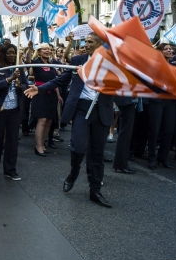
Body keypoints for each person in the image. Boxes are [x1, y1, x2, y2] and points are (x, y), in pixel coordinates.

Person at [24, 32, 114, 207]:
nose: (85, 44)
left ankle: (95, 190)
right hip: (81, 109)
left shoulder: (111, 63)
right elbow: (62, 79)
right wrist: (40, 89)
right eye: (85, 41)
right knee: (78, 147)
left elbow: (117, 84)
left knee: (97, 153)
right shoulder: (78, 60)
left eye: (90, 42)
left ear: (100, 44)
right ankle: (73, 173)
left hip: (101, 111)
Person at [0, 43, 29, 180]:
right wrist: (9, 79)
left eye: (14, 53)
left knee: (12, 140)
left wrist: (20, 85)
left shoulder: (19, 68)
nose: (12, 55)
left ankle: (10, 170)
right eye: (9, 53)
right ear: (3, 53)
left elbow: (26, 85)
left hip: (14, 110)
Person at [147, 43, 176, 169]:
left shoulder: (175, 66)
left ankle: (163, 157)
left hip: (170, 102)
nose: (169, 50)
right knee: (154, 130)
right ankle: (152, 158)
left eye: (170, 49)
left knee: (169, 130)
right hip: (156, 101)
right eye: (166, 49)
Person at [28, 43, 61, 156]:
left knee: (49, 120)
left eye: (49, 49)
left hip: (51, 94)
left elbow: (54, 81)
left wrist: (58, 95)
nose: (47, 51)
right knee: (41, 120)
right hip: (39, 92)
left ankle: (42, 143)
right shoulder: (36, 62)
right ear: (40, 51)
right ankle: (38, 147)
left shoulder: (51, 64)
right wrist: (30, 49)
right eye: (45, 49)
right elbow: (28, 63)